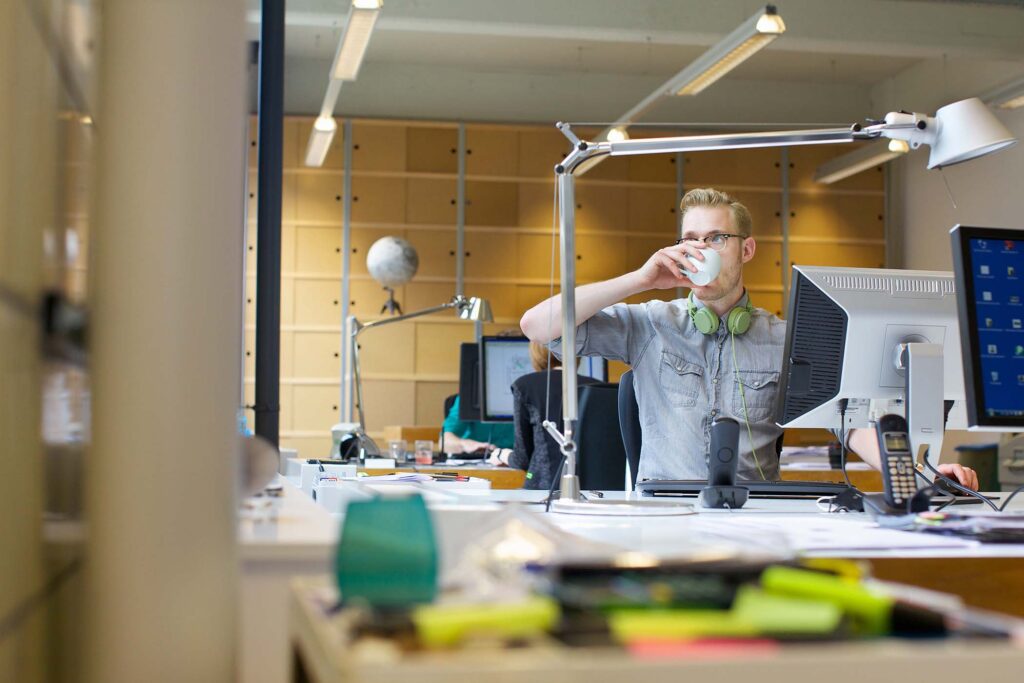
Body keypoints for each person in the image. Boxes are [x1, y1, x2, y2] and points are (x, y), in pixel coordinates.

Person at [520, 187, 979, 490]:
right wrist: (641, 280)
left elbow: (852, 423)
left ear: (747, 248)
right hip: (665, 510)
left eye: (716, 237)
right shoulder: (650, 323)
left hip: (756, 510)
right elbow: (538, 326)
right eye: (689, 238)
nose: (700, 249)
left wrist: (923, 473)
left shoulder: (786, 338)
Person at [488, 342, 596, 489]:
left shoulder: (524, 385)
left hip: (542, 489)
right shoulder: (596, 386)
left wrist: (501, 454)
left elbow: (522, 459)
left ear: (537, 355)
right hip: (589, 489)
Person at [442, 394, 514, 455]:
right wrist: (464, 445)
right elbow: (444, 442)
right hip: (473, 459)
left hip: (513, 461)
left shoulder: (522, 397)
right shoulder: (468, 397)